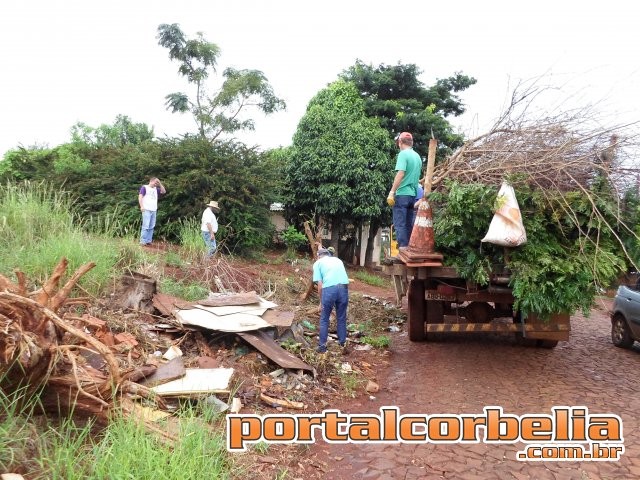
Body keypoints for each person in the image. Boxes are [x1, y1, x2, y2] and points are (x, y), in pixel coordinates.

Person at [387, 132, 422, 248]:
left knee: (400, 223)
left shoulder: (403, 154)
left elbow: (400, 173)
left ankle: (402, 249)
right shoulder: (417, 156)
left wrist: (392, 192)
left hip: (402, 194)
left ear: (400, 142)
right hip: (413, 195)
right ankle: (410, 248)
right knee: (408, 224)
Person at [313, 247, 350, 354]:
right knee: (341, 317)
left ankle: (322, 346)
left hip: (329, 289)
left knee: (324, 318)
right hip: (343, 288)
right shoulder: (338, 260)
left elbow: (320, 286)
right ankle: (342, 343)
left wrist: (321, 302)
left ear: (318, 256)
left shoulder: (318, 263)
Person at [138, 177, 166, 246]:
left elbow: (164, 191)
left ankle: (148, 240)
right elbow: (140, 197)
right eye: (155, 182)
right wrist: (141, 206)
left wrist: (160, 184)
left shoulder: (156, 189)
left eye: (157, 183)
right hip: (146, 209)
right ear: (151, 181)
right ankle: (142, 241)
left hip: (153, 210)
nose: (156, 184)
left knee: (151, 226)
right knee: (146, 225)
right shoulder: (144, 187)